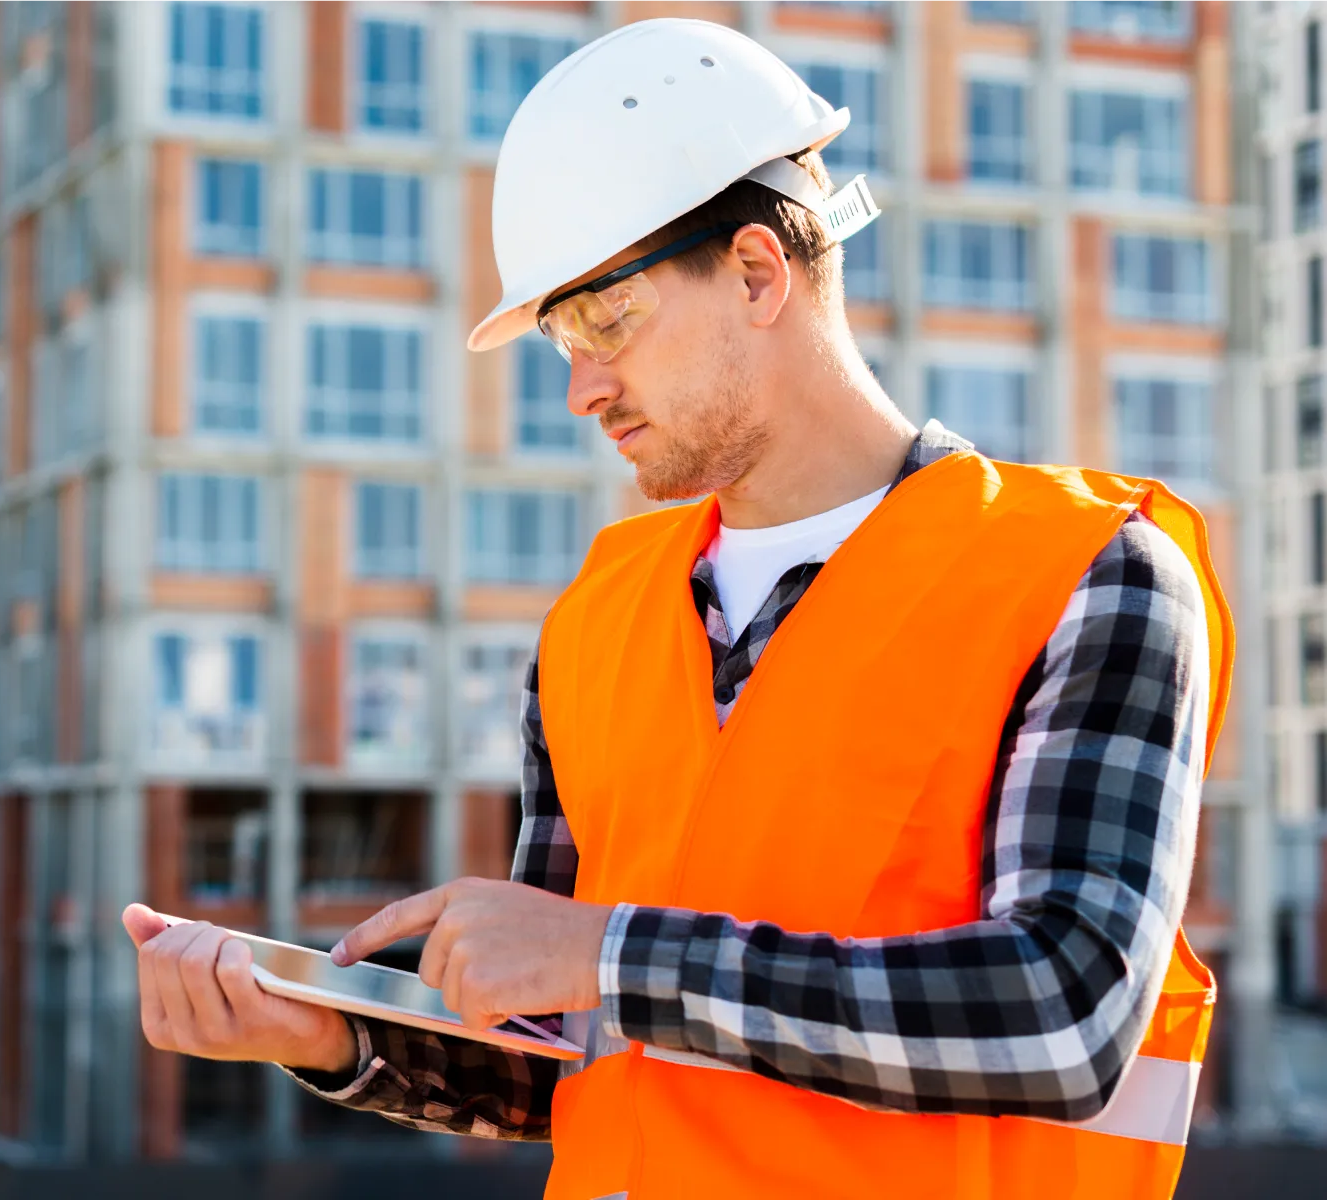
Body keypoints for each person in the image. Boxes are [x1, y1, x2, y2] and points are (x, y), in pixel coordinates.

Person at [122, 19, 1232, 1199]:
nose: (580, 388)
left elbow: (1065, 1015)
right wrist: (328, 1035)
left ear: (757, 273)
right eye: (559, 335)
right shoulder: (596, 621)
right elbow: (563, 1043)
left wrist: (614, 952)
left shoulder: (1085, 572)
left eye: (607, 320)